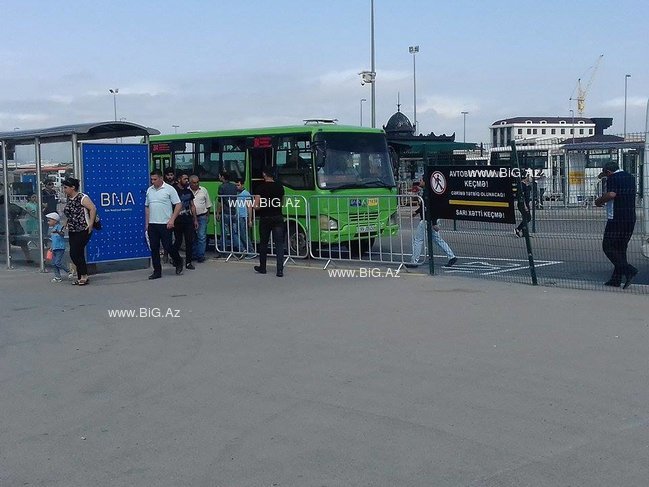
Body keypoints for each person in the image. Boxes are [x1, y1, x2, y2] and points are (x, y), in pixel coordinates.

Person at [595, 161, 637, 289]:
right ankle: (616, 279)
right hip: (630, 217)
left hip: (617, 218)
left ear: (608, 172)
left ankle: (628, 270)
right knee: (620, 247)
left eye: (605, 175)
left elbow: (611, 194)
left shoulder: (613, 178)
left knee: (607, 246)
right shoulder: (630, 177)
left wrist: (599, 201)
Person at [405, 179, 457, 268]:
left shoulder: (429, 193)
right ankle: (451, 256)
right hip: (430, 220)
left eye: (421, 180)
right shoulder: (429, 191)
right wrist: (417, 212)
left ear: (425, 181)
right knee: (437, 239)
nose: (419, 182)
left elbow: (433, 208)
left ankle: (414, 261)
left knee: (418, 240)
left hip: (427, 220)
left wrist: (433, 222)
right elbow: (424, 206)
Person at [145, 170, 184, 279]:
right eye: (151, 179)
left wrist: (172, 220)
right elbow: (147, 207)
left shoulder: (169, 189)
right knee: (154, 247)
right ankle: (157, 271)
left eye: (155, 179)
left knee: (168, 246)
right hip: (153, 224)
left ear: (161, 178)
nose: (153, 182)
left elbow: (178, 204)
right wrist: (147, 223)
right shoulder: (149, 190)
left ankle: (178, 260)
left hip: (165, 223)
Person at [62, 177, 96, 285]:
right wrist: (67, 222)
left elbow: (93, 208)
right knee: (77, 253)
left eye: (66, 187)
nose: (64, 190)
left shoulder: (82, 197)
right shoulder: (69, 198)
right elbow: (71, 212)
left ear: (73, 187)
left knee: (75, 252)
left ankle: (84, 275)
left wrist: (90, 223)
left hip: (83, 228)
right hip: (73, 229)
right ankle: (82, 275)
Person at [253, 166, 285, 277]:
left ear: (264, 175)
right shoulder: (280, 187)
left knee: (263, 243)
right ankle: (279, 270)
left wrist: (254, 206)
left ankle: (263, 267)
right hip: (277, 217)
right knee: (279, 244)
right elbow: (282, 203)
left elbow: (256, 206)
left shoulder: (260, 187)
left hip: (265, 218)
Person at [0, 183, 34, 263]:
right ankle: (28, 258)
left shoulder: (9, 207)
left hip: (5, 230)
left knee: (6, 244)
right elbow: (23, 212)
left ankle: (8, 259)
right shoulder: (11, 206)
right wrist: (17, 218)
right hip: (14, 229)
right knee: (23, 244)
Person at [173, 172, 198, 270]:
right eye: (185, 179)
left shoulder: (188, 192)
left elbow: (192, 205)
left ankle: (188, 262)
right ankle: (176, 259)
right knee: (178, 242)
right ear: (179, 180)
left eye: (187, 179)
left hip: (188, 220)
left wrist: (195, 219)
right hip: (177, 220)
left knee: (189, 241)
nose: (187, 181)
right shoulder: (174, 191)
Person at [216, 170, 238, 255]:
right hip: (233, 212)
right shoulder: (234, 186)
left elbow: (220, 202)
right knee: (234, 233)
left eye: (219, 176)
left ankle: (223, 252)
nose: (219, 177)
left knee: (224, 234)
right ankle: (242, 249)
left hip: (225, 213)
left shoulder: (222, 187)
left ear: (222, 177)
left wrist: (218, 213)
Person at [234, 177, 255, 258]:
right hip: (237, 216)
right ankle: (243, 250)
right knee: (237, 234)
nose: (237, 187)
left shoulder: (246, 194)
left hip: (243, 217)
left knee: (244, 235)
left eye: (238, 185)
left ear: (242, 184)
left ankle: (251, 251)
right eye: (236, 185)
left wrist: (250, 220)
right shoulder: (236, 193)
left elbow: (249, 207)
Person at [45, 212, 69, 282]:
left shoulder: (59, 227)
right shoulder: (52, 229)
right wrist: (51, 247)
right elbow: (53, 240)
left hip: (60, 248)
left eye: (49, 220)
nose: (48, 222)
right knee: (53, 263)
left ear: (55, 221)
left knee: (57, 262)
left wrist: (57, 231)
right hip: (54, 248)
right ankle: (57, 276)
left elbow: (62, 234)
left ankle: (69, 271)